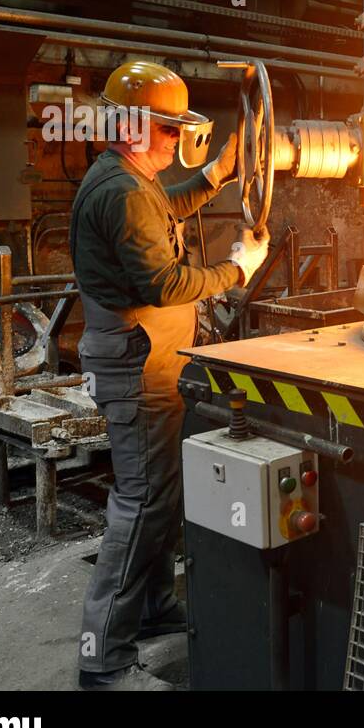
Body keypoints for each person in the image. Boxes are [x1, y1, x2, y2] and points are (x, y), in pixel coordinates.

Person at [70, 60, 268, 690]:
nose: (173, 142)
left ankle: (153, 607)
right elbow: (164, 280)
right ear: (133, 126)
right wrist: (239, 269)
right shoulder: (122, 191)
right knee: (142, 503)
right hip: (137, 359)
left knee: (158, 494)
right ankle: (102, 659)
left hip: (143, 353)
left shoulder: (127, 177)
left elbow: (164, 209)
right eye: (166, 130)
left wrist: (213, 177)